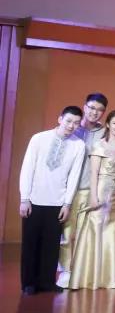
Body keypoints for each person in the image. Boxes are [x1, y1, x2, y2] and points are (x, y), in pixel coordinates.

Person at [18, 106, 85, 295]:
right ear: (60, 119)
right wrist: (25, 198)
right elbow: (27, 168)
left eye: (76, 123)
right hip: (34, 200)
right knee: (31, 243)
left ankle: (47, 282)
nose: (71, 126)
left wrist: (67, 203)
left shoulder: (78, 145)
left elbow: (74, 176)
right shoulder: (39, 139)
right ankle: (29, 283)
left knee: (51, 245)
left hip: (57, 202)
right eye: (68, 121)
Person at [69, 110, 115, 290]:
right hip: (102, 191)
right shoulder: (99, 145)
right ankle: (92, 277)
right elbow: (94, 173)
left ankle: (110, 277)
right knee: (96, 228)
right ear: (108, 125)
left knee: (113, 231)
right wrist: (93, 197)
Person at [57, 93, 108, 289]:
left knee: (86, 234)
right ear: (85, 107)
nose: (95, 112)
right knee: (67, 233)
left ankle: (81, 271)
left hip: (91, 189)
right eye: (92, 108)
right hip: (68, 190)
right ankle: (65, 270)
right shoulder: (72, 128)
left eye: (99, 110)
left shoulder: (105, 132)